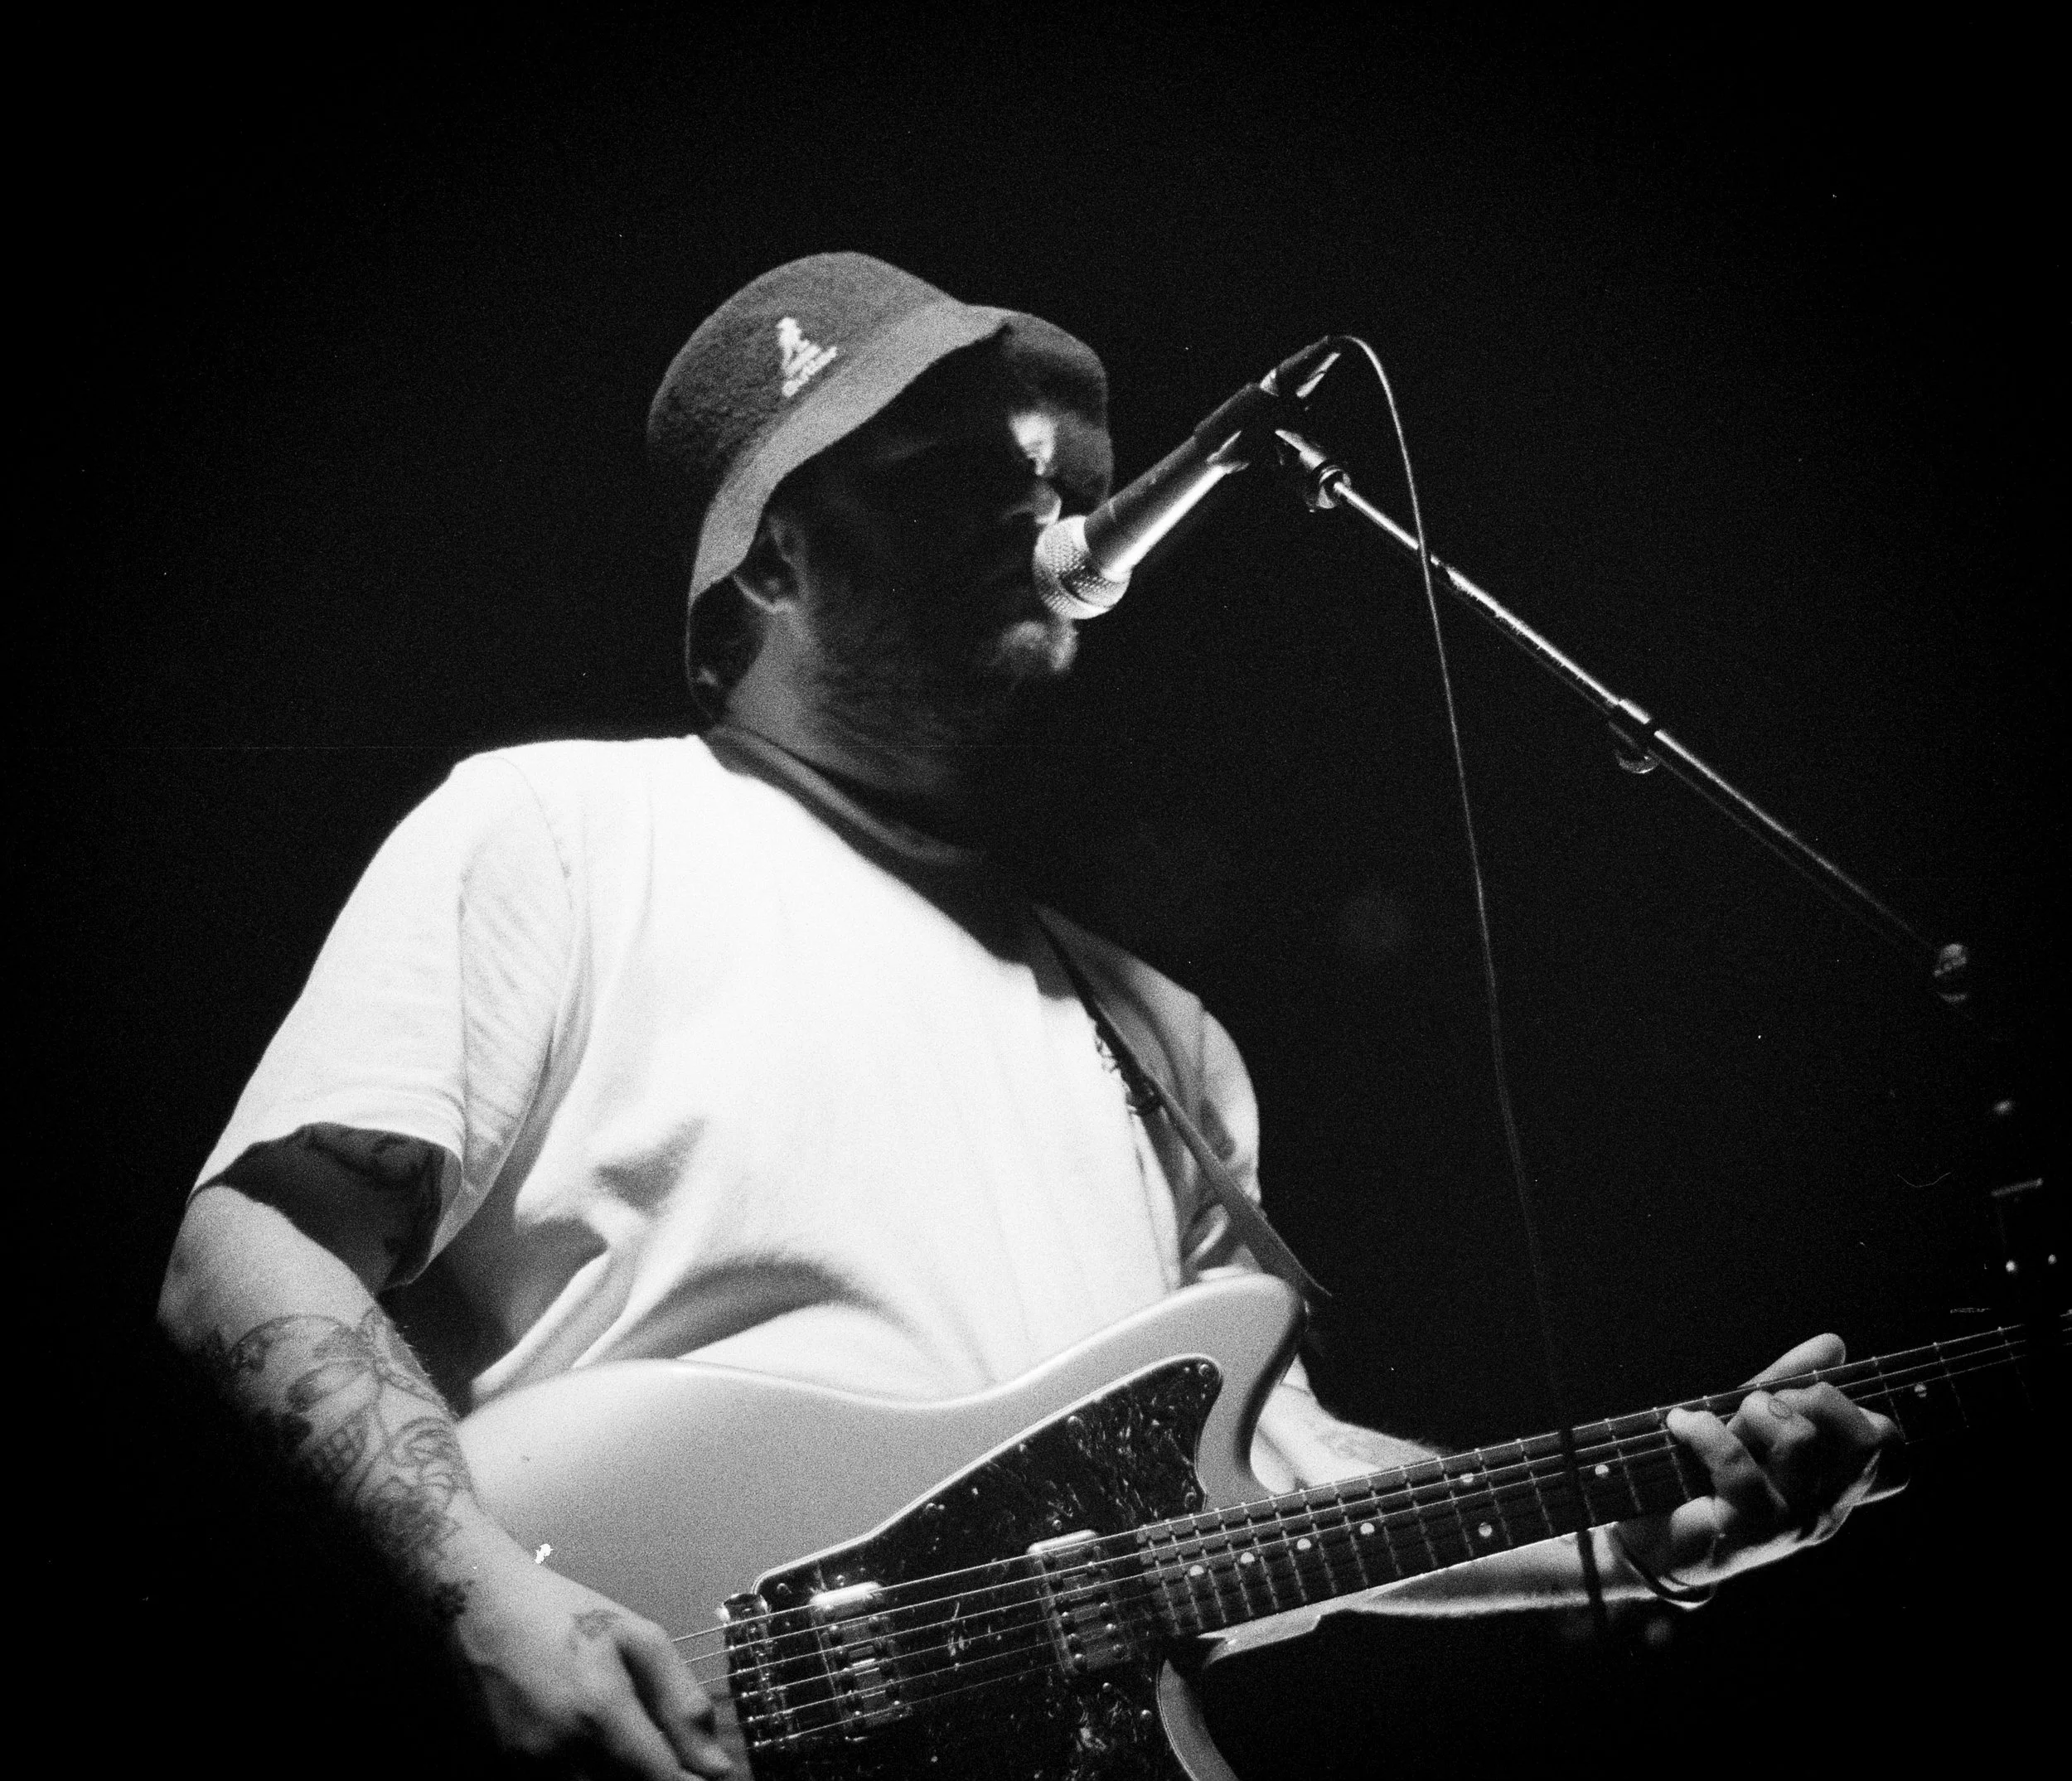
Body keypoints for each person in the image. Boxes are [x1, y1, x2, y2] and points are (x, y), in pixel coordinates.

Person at [157, 254, 1902, 1780]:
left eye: (1037, 466)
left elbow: (1250, 1481)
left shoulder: (1166, 1040)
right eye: (940, 474)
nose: (1031, 500)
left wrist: (1629, 1528)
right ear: (769, 561)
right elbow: (253, 1251)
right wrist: (479, 1597)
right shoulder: (556, 832)